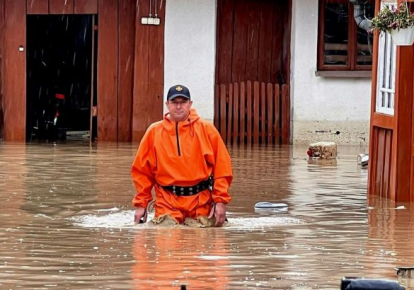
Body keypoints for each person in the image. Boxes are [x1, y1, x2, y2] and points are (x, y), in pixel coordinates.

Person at [131, 84, 233, 227]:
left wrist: (220, 201)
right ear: (167, 104)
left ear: (190, 104)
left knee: (205, 243)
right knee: (166, 243)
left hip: (201, 204)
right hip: (167, 203)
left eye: (183, 102)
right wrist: (141, 205)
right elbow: (142, 172)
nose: (179, 107)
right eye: (174, 102)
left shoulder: (207, 129)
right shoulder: (153, 132)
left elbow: (222, 168)